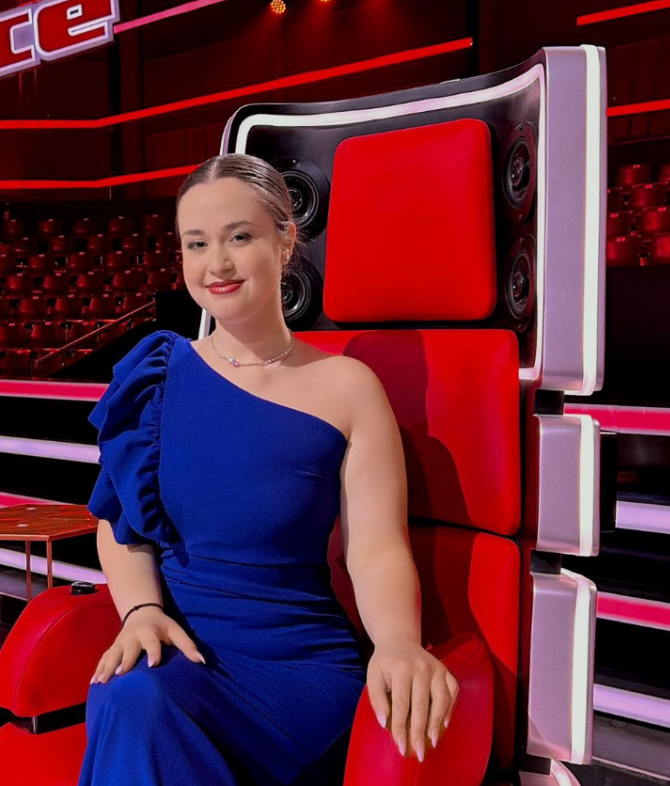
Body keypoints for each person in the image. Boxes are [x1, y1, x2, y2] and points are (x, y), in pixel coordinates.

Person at [79, 153, 459, 785]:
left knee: (141, 705)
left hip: (300, 669)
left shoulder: (348, 387)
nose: (217, 264)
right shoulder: (156, 377)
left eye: (239, 237)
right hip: (179, 653)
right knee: (134, 697)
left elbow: (375, 550)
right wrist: (140, 610)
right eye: (197, 243)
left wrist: (398, 641)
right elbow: (121, 526)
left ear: (285, 242)